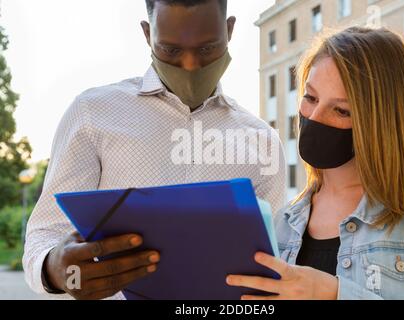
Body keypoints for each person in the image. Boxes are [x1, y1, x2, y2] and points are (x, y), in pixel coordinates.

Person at [23, 0, 286, 300]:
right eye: (171, 50)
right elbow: (44, 234)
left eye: (207, 49)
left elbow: (279, 258)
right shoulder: (92, 115)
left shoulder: (261, 140)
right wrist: (55, 269)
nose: (190, 66)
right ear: (148, 35)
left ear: (229, 31)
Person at [227, 27, 404, 300]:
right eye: (310, 98)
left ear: (381, 123)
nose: (314, 117)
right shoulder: (281, 224)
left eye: (341, 110)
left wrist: (334, 295)